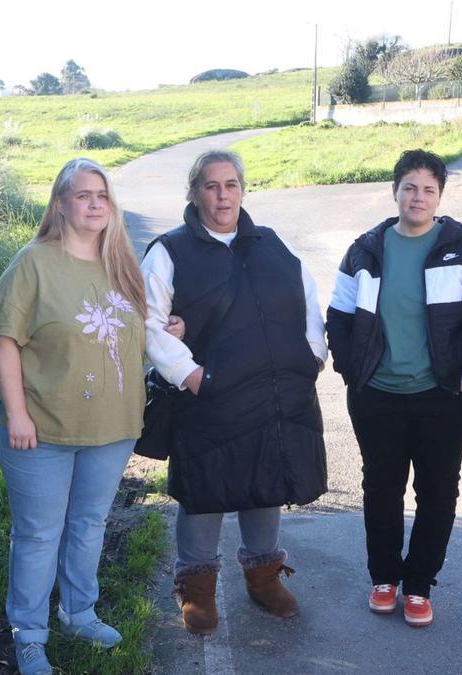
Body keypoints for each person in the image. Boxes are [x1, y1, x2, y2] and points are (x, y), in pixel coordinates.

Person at [141, 149, 328, 636]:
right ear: (194, 192)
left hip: (274, 393)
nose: (222, 195)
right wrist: (191, 375)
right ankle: (197, 591)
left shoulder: (272, 244)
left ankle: (264, 578)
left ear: (242, 190)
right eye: (211, 185)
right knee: (205, 489)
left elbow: (308, 303)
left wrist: (311, 358)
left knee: (266, 481)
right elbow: (151, 324)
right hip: (208, 397)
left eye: (231, 185)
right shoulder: (169, 251)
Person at [0, 158, 148, 675]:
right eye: (83, 195)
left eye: (102, 195)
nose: (95, 204)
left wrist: (173, 330)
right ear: (61, 204)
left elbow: (136, 327)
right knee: (38, 534)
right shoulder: (34, 262)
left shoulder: (120, 259)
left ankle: (78, 612)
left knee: (89, 523)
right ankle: (29, 634)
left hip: (110, 427)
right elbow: (2, 337)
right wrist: (17, 414)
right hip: (41, 427)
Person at [326, 149, 462, 628]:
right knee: (381, 487)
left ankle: (418, 585)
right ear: (395, 191)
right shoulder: (365, 250)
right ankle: (384, 578)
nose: (418, 197)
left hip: (443, 396)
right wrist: (352, 369)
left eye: (429, 189)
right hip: (376, 394)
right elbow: (338, 315)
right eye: (410, 187)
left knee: (438, 491)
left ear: (440, 196)